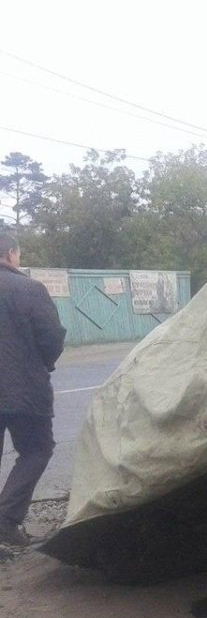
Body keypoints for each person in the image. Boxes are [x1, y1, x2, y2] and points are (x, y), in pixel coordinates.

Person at [0, 233, 67, 547]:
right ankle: (5, 521)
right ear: (12, 254)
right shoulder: (29, 289)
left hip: (18, 386)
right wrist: (41, 364)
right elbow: (52, 337)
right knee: (37, 449)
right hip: (23, 389)